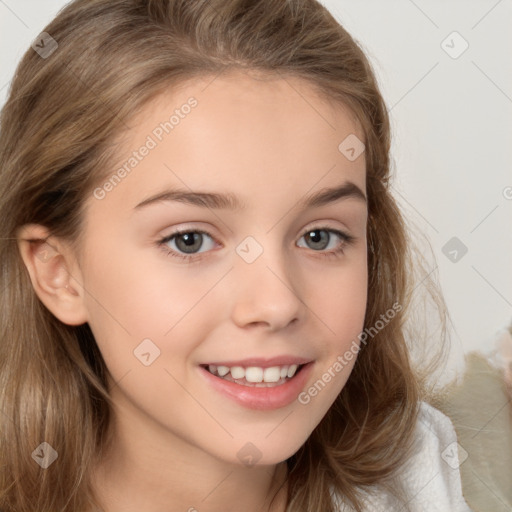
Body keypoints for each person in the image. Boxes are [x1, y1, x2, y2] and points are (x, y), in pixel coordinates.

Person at [0, 0, 473, 511]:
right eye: (190, 240)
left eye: (320, 237)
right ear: (60, 273)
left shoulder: (419, 474)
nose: (275, 303)